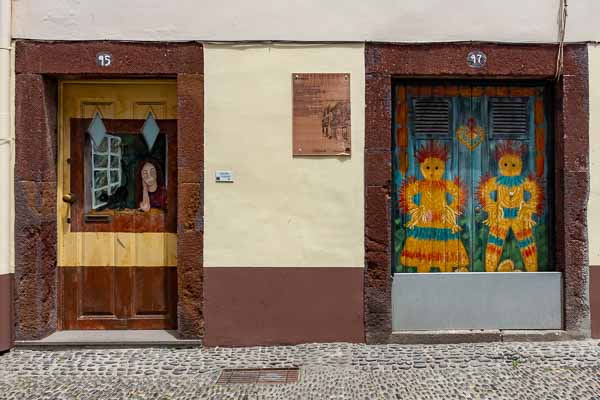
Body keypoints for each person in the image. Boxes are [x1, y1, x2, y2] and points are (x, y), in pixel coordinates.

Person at [399, 141, 469, 272]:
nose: (431, 172)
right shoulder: (420, 185)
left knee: (445, 258)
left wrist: (449, 210)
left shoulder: (445, 185)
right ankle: (421, 279)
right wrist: (417, 210)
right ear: (421, 168)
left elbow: (458, 193)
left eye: (437, 168)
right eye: (427, 168)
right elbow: (408, 193)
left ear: (442, 168)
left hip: (442, 222)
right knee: (423, 257)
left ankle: (447, 279)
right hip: (424, 222)